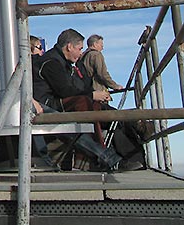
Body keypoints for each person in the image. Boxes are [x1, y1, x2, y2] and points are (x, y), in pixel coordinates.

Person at [34, 29, 126, 171]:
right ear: (69, 46)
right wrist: (93, 94)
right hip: (46, 105)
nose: (81, 53)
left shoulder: (60, 61)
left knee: (89, 104)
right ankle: (99, 156)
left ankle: (93, 158)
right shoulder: (51, 62)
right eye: (79, 48)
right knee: (85, 103)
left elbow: (70, 88)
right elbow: (64, 90)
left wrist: (92, 94)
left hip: (51, 102)